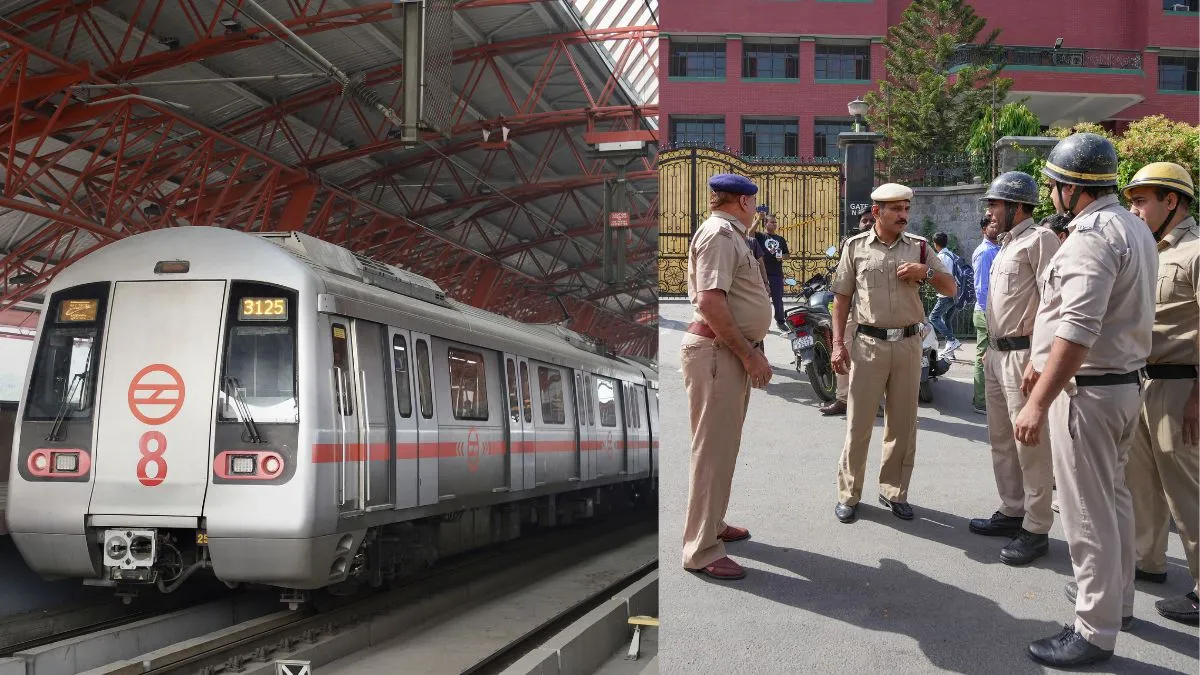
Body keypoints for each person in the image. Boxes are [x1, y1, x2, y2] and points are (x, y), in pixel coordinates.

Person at [1015, 133, 1158, 667]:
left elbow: (1077, 328)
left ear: (1071, 189)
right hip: (1119, 386)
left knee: (1086, 516)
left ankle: (1093, 631)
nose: (1051, 194)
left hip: (1089, 394)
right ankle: (1115, 605)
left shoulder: (1092, 237)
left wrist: (1036, 401)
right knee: (1114, 503)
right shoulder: (1131, 227)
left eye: (1054, 186)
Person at [830, 184, 956, 523]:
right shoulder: (855, 248)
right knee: (859, 424)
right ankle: (849, 493)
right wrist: (837, 344)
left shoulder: (919, 248)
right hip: (868, 345)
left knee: (903, 424)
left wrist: (925, 272)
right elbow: (841, 298)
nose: (903, 215)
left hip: (908, 345)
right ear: (876, 212)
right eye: (895, 209)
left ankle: (894, 491)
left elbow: (951, 288)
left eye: (905, 209)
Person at [681, 172, 774, 582]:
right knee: (712, 453)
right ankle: (700, 550)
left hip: (726, 354)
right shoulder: (720, 234)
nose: (755, 209)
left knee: (723, 448)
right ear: (743, 203)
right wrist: (750, 354)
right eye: (753, 203)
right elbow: (711, 303)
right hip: (719, 353)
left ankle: (713, 523)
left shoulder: (730, 233)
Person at [967, 172, 1061, 567]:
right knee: (1002, 439)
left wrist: (1040, 359)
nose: (989, 211)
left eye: (996, 204)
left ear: (1017, 206)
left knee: (1030, 445)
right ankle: (1012, 509)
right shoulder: (1006, 245)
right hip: (996, 353)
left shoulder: (1040, 240)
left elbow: (1054, 303)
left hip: (1024, 355)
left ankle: (1037, 527)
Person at [1121, 161, 1199, 625]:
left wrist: (1197, 398)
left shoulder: (1194, 252)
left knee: (1187, 491)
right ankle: (1147, 560)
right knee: (1143, 485)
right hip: (1145, 381)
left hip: (1181, 384)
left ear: (1172, 201)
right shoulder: (1150, 250)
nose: (1134, 208)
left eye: (1141, 200)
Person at [820, 213, 879, 417]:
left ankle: (876, 402)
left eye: (872, 220)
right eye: (865, 221)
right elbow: (841, 280)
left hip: (876, 314)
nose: (868, 223)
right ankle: (843, 399)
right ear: (859, 224)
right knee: (843, 352)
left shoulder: (887, 245)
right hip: (852, 309)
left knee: (873, 358)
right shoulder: (850, 244)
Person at [972, 216, 1002, 415]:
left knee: (991, 356)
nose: (996, 228)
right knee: (983, 357)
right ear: (984, 229)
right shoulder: (985, 252)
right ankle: (980, 401)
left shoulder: (997, 249)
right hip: (985, 312)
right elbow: (982, 288)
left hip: (994, 311)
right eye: (992, 225)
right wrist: (989, 314)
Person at [927, 232, 962, 355]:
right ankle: (950, 352)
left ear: (935, 244)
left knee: (933, 317)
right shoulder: (951, 254)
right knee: (947, 320)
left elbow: (943, 276)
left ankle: (952, 340)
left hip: (946, 293)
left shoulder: (941, 257)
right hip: (956, 293)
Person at [756, 213, 791, 331]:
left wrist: (782, 257)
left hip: (776, 273)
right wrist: (757, 219)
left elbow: (787, 255)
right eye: (772, 222)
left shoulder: (780, 239)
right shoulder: (760, 236)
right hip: (761, 273)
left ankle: (780, 321)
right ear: (765, 224)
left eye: (775, 222)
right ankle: (762, 324)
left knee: (778, 299)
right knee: (762, 300)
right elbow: (748, 233)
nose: (775, 224)